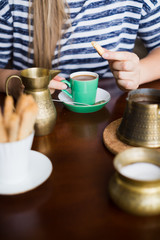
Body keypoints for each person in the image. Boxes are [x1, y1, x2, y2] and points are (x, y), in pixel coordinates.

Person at [0, 0, 160, 98]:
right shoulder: (12, 3)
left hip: (110, 110)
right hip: (34, 112)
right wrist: (15, 82)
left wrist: (140, 72)